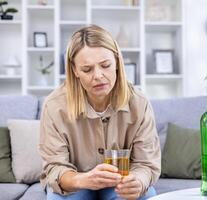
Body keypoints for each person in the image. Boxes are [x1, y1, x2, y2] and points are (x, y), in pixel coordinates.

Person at [38, 25, 161, 200]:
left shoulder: (139, 104)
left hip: (120, 182)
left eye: (105, 65)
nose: (98, 76)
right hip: (76, 183)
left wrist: (138, 182)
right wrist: (83, 179)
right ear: (75, 70)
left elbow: (146, 164)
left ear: (117, 62)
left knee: (145, 195)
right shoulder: (54, 106)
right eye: (87, 69)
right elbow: (54, 168)